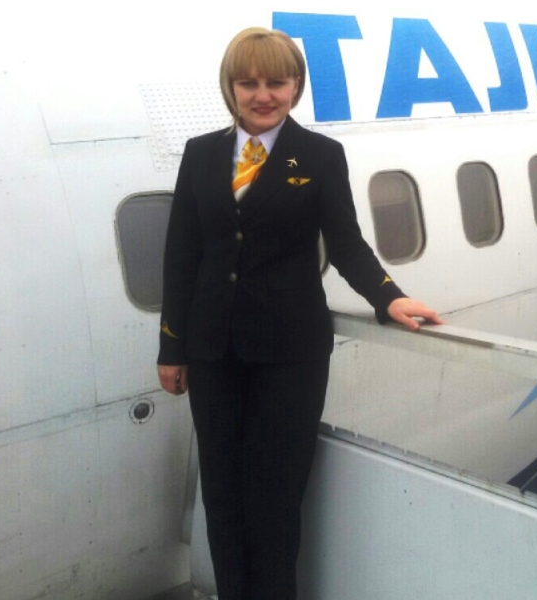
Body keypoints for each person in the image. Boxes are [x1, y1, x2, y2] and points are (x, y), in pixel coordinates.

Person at [156, 27, 442, 599]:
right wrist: (172, 347)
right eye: (248, 83)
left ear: (296, 86)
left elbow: (346, 243)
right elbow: (182, 255)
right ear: (230, 87)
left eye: (276, 83)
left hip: (290, 355)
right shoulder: (201, 153)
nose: (263, 95)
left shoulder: (318, 155)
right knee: (222, 496)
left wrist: (387, 295)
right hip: (213, 352)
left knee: (276, 499)